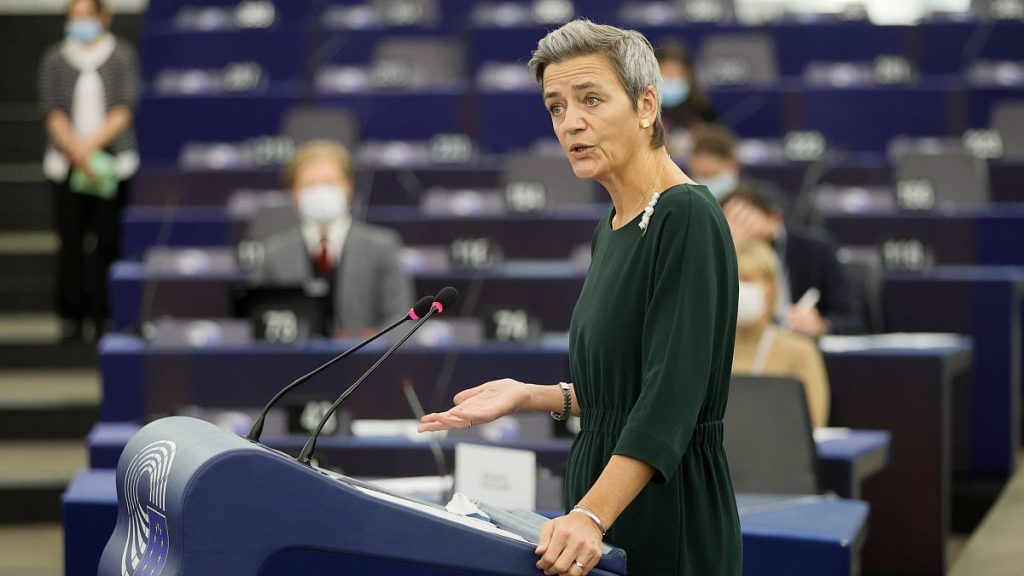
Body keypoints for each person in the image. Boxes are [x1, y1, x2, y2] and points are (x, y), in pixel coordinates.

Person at [420, 19, 741, 576]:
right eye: (556, 107)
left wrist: (591, 514)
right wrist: (530, 396)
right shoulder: (613, 224)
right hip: (608, 504)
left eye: (591, 99)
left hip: (667, 511)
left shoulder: (686, 216)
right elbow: (622, 393)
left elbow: (671, 397)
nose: (572, 123)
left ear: (646, 106)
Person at [39, 0, 140, 341]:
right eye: (74, 17)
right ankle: (71, 316)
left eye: (87, 16)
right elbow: (52, 110)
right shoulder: (54, 58)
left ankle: (104, 315)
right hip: (66, 165)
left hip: (113, 164)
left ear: (104, 18)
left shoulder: (122, 55)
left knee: (108, 242)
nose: (80, 22)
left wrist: (91, 148)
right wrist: (76, 151)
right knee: (71, 241)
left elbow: (124, 108)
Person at [247, 140, 414, 337]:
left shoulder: (382, 246)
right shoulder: (274, 252)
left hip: (366, 362)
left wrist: (368, 342)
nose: (320, 192)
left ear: (349, 187)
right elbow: (260, 321)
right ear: (293, 193)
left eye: (329, 182)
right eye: (310, 184)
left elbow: (400, 317)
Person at [720, 184, 864, 336]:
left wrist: (822, 325)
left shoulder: (815, 251)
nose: (743, 231)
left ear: (774, 217)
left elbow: (853, 321)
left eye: (746, 221)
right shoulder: (719, 254)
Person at [732, 241, 830, 428]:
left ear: (771, 287)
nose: (738, 288)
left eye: (746, 279)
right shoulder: (706, 351)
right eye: (731, 279)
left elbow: (812, 423)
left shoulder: (800, 352)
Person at [654, 40, 717, 157]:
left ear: (689, 77)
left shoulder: (702, 110)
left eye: (676, 75)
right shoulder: (643, 111)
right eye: (666, 75)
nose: (671, 81)